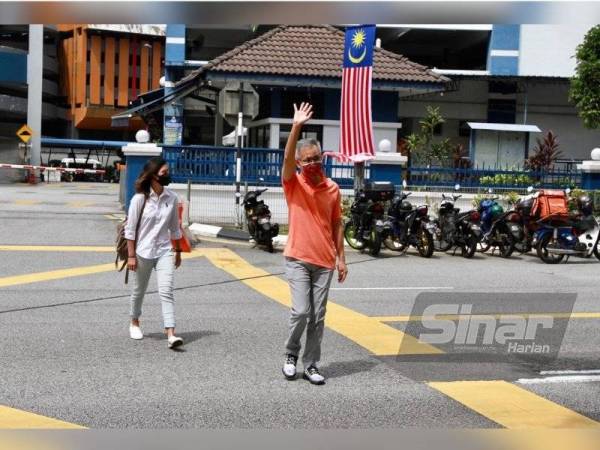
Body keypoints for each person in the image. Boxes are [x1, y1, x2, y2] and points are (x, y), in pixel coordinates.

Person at [281, 102, 348, 385]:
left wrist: (341, 258)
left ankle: (311, 364)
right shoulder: (293, 183)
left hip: (324, 262)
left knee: (318, 317)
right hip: (297, 258)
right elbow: (285, 161)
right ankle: (290, 354)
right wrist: (296, 126)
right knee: (301, 312)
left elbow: (337, 223)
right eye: (306, 160)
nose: (312, 163)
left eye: (316, 158)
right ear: (299, 162)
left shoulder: (332, 188)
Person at [125, 156, 184, 349]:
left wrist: (177, 251)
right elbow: (130, 230)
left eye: (168, 172)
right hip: (142, 251)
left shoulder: (172, 198)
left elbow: (175, 228)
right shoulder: (139, 199)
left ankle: (171, 333)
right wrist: (131, 255)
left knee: (166, 291)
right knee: (139, 290)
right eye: (164, 173)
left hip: (164, 250)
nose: (168, 176)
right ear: (152, 176)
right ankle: (134, 321)